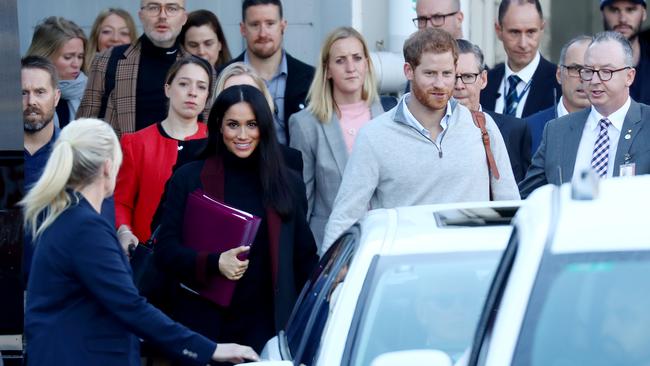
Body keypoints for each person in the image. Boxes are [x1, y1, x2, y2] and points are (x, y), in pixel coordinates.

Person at [21, 118, 258, 365]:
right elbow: (130, 306)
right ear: (107, 167)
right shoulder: (84, 227)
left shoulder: (68, 216)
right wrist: (210, 350)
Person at [322, 28, 519, 253]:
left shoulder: (481, 126)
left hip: (475, 271)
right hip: (405, 272)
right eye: (430, 73)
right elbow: (345, 216)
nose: (440, 83)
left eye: (447, 73)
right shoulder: (374, 136)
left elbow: (509, 205)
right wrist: (331, 278)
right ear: (409, 70)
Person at [154, 85, 318, 352]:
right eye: (233, 125)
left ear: (263, 127)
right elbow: (164, 252)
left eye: (251, 124)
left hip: (268, 329)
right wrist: (214, 262)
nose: (243, 135)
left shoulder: (288, 183)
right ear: (219, 125)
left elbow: (304, 258)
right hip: (204, 326)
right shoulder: (189, 178)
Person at [519, 31, 650, 198]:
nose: (594, 80)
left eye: (606, 71)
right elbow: (527, 198)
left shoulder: (646, 124)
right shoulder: (556, 131)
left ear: (629, 76)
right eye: (588, 71)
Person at [288, 27, 384, 249]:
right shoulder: (305, 124)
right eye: (340, 60)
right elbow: (304, 201)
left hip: (381, 243)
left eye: (357, 58)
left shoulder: (389, 116)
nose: (351, 68)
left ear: (366, 64)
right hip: (330, 247)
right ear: (328, 69)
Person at [114, 56, 212, 250]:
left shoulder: (216, 142)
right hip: (149, 255)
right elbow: (121, 202)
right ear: (167, 89)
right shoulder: (136, 143)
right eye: (184, 84)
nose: (192, 92)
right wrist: (124, 231)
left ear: (207, 96)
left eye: (201, 87)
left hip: (199, 258)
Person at [77, 0, 206, 137]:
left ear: (183, 18)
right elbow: (83, 128)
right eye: (153, 7)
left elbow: (212, 131)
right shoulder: (108, 60)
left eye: (172, 8)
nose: (162, 15)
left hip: (184, 157)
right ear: (141, 15)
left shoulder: (201, 69)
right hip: (122, 156)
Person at [219, 0, 315, 145]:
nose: (263, 33)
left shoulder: (312, 79)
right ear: (243, 29)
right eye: (255, 25)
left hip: (294, 166)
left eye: (270, 23)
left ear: (283, 26)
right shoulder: (222, 77)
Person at [454, 39, 532, 183]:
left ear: (483, 79)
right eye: (451, 76)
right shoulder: (427, 130)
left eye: (468, 77)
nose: (459, 85)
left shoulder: (514, 130)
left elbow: (522, 190)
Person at [481, 0, 561, 118]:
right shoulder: (484, 84)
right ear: (498, 30)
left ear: (542, 29)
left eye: (531, 32)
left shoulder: (560, 84)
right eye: (514, 32)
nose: (523, 44)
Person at [527, 36, 592, 155]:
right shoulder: (530, 129)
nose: (583, 78)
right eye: (575, 69)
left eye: (590, 71)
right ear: (558, 74)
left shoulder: (614, 127)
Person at [26, 16, 87, 129]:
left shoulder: (91, 91)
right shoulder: (24, 95)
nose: (76, 64)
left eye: (80, 56)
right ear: (46, 56)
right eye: (68, 57)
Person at [601, 0, 650, 105]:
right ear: (602, 13)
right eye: (614, 10)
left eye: (630, 10)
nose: (622, 19)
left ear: (644, 13)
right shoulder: (586, 64)